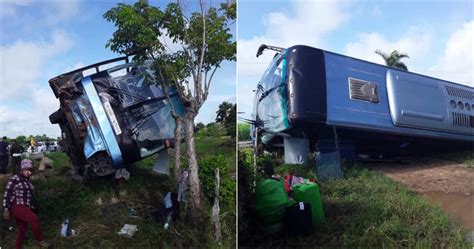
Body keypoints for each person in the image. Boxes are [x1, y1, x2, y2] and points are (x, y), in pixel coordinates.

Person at [3, 159, 49, 248]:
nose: (28, 172)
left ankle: (18, 247)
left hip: (25, 206)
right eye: (26, 169)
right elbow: (7, 193)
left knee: (22, 229)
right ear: (22, 169)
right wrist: (6, 209)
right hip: (17, 205)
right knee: (34, 219)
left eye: (30, 170)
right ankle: (40, 240)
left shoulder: (27, 181)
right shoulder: (15, 178)